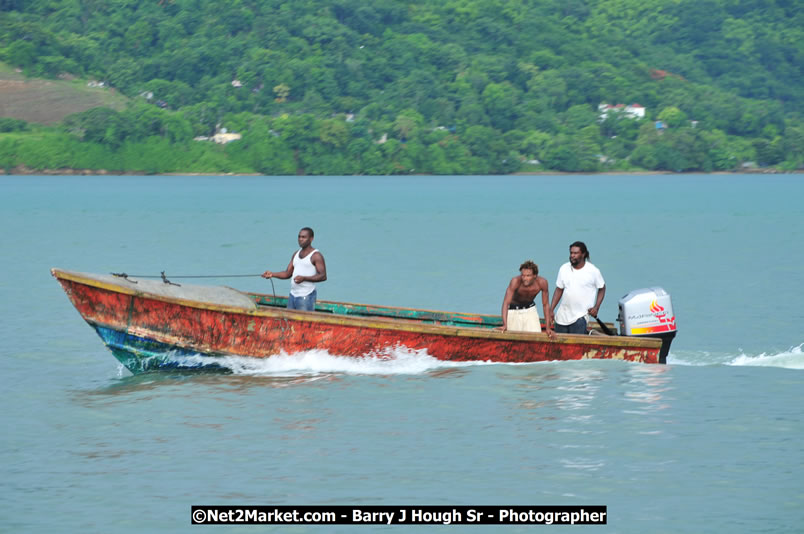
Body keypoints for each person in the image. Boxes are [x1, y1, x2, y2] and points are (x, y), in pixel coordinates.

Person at [261, 227, 327, 311]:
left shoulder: (316, 255)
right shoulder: (296, 254)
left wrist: (304, 278)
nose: (300, 239)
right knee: (290, 321)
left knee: (304, 322)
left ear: (311, 239)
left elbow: (323, 276)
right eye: (299, 237)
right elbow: (288, 273)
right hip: (293, 295)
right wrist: (272, 274)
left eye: (304, 237)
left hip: (306, 296)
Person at [550, 241, 606, 334]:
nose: (572, 255)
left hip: (580, 317)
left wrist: (596, 307)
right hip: (562, 316)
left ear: (583, 254)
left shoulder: (593, 271)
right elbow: (559, 289)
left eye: (575, 253)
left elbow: (602, 288)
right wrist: (551, 309)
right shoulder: (564, 268)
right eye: (571, 253)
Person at [499, 260, 554, 338]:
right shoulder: (515, 281)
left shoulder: (542, 283)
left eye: (528, 276)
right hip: (514, 311)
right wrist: (505, 324)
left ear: (535, 275)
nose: (525, 278)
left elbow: (545, 305)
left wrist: (548, 327)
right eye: (523, 275)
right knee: (514, 340)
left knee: (536, 337)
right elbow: (506, 303)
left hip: (530, 311)